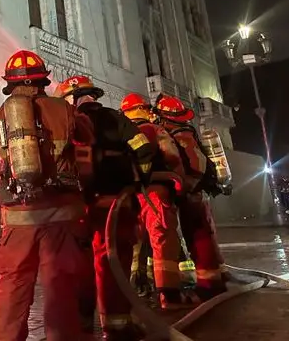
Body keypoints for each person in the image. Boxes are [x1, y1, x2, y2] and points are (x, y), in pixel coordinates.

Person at [0, 50, 95, 341]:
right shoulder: (64, 111)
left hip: (18, 220)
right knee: (60, 287)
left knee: (12, 286)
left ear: (11, 84)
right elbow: (87, 136)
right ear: (42, 80)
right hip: (60, 218)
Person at [57, 76, 156, 340]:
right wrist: (139, 181)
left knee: (80, 265)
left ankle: (81, 326)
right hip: (117, 203)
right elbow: (144, 150)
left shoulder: (69, 123)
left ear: (72, 98)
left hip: (79, 207)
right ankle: (117, 325)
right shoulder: (116, 118)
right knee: (114, 263)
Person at [119, 93, 193, 309]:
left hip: (128, 197)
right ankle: (169, 296)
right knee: (163, 242)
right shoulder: (154, 130)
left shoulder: (119, 132)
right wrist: (179, 183)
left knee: (134, 241)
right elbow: (173, 159)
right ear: (142, 109)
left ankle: (137, 283)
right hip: (155, 195)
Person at [154, 94, 228, 299]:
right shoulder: (186, 132)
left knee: (198, 237)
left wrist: (184, 187)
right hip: (196, 192)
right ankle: (217, 278)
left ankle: (209, 285)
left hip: (191, 193)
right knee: (203, 234)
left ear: (163, 116)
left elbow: (192, 165)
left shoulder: (178, 135)